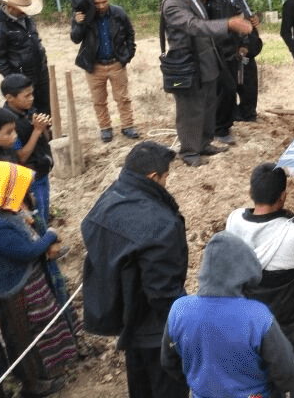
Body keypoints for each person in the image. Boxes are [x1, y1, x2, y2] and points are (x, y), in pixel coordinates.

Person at [81, 141, 189, 398]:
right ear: (153, 177)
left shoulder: (109, 198)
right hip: (156, 330)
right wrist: (185, 321)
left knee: (139, 387)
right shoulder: (162, 224)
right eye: (166, 177)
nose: (166, 183)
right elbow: (162, 292)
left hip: (126, 319)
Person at [0, 162, 74, 397]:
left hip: (19, 284)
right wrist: (51, 236)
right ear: (5, 189)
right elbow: (27, 251)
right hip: (11, 291)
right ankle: (33, 385)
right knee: (22, 339)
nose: (25, 192)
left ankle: (42, 375)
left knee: (31, 333)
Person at [162, 231, 294, 398]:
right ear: (245, 272)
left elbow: (169, 362)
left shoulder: (179, 310)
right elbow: (287, 375)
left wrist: (199, 381)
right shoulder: (257, 316)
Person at [225, 164, 294, 398]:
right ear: (283, 196)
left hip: (252, 323)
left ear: (251, 193)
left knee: (266, 382)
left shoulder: (234, 220)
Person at [160, 0, 252, 167]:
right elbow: (194, 26)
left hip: (206, 62)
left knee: (209, 104)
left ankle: (204, 143)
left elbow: (203, 20)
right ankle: (190, 151)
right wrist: (229, 24)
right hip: (188, 65)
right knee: (190, 110)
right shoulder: (173, 3)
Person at [71, 0, 139, 142]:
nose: (101, 5)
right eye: (97, 3)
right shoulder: (83, 15)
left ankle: (128, 126)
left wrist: (128, 55)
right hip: (94, 67)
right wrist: (79, 23)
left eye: (104, 1)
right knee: (98, 100)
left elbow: (130, 33)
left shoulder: (118, 13)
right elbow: (75, 39)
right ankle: (105, 128)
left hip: (116, 63)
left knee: (123, 98)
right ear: (91, 2)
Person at [200, 0, 243, 145]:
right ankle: (220, 128)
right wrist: (202, 0)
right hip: (214, 49)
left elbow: (238, 15)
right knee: (224, 88)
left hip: (231, 47)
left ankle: (224, 124)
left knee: (231, 88)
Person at [0, 0, 50, 115]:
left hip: (40, 73)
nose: (26, 12)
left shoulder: (28, 20)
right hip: (21, 78)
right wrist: (15, 81)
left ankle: (47, 135)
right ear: (10, 6)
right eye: (22, 9)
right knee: (28, 115)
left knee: (45, 110)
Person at [0, 74, 54, 221]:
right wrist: (36, 131)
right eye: (27, 95)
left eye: (32, 94)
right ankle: (43, 241)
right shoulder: (8, 124)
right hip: (28, 179)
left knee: (43, 211)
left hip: (41, 171)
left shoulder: (29, 111)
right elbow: (21, 157)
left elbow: (46, 140)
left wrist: (43, 128)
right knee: (35, 216)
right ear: (9, 98)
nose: (31, 98)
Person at [226, 0, 263, 122]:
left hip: (249, 44)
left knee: (250, 81)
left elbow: (247, 15)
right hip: (236, 46)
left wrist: (255, 18)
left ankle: (249, 112)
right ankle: (235, 114)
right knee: (235, 82)